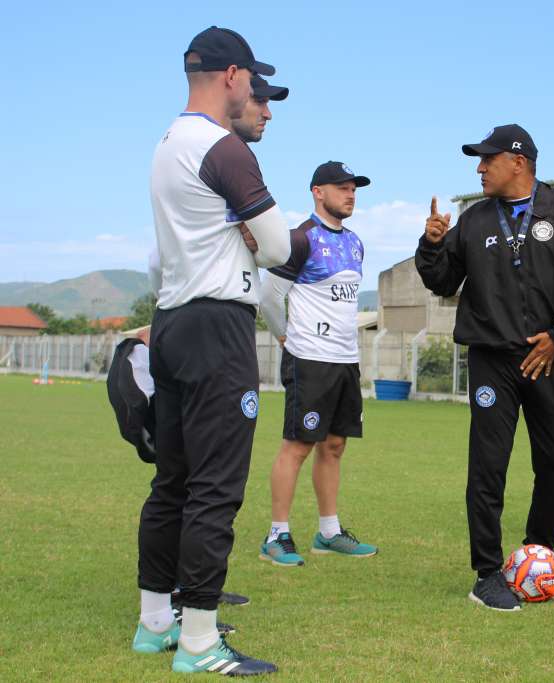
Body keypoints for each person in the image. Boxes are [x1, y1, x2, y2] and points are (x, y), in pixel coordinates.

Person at [134, 26, 291, 676]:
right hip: (215, 328)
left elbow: (156, 258)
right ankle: (199, 641)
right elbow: (279, 247)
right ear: (231, 76)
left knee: (172, 482)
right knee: (214, 487)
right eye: (253, 80)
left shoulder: (168, 142)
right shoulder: (223, 147)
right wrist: (252, 237)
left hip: (172, 321)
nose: (256, 93)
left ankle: (156, 623)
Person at [415, 124, 554, 610]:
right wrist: (432, 244)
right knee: (488, 465)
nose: (479, 168)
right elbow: (440, 281)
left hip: (550, 358)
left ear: (518, 162)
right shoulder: (475, 220)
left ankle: (536, 563)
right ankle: (486, 573)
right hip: (492, 360)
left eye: (487, 159)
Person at [258, 161, 377, 566]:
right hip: (308, 358)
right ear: (317, 192)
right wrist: (283, 336)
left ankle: (328, 532)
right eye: (342, 188)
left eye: (354, 189)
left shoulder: (357, 242)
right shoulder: (299, 239)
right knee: (298, 445)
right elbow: (269, 297)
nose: (350, 194)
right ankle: (277, 534)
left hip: (345, 359)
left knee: (336, 445)